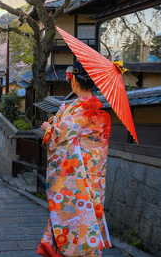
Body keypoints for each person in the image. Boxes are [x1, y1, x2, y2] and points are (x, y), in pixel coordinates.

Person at [37, 61, 112, 257]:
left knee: (72, 218)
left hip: (75, 182)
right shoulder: (99, 112)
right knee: (90, 219)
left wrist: (48, 128)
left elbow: (58, 138)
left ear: (74, 83)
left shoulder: (76, 110)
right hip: (93, 177)